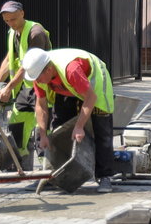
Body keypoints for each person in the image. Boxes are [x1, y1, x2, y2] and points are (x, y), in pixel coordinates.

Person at [22, 47, 115, 193]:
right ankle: (53, 176)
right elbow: (41, 105)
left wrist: (79, 126)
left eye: (38, 78)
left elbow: (90, 98)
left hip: (92, 84)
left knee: (101, 128)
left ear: (48, 70)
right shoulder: (39, 74)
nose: (37, 81)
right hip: (67, 87)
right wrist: (43, 134)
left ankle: (104, 176)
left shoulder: (71, 70)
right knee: (59, 128)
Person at [0, 1, 51, 170]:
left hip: (42, 84)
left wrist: (8, 87)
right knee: (17, 123)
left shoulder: (35, 32)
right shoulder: (13, 32)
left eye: (13, 19)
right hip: (26, 87)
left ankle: (49, 167)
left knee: (42, 125)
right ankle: (19, 164)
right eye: (7, 20)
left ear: (22, 13)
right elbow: (9, 60)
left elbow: (28, 64)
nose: (11, 23)